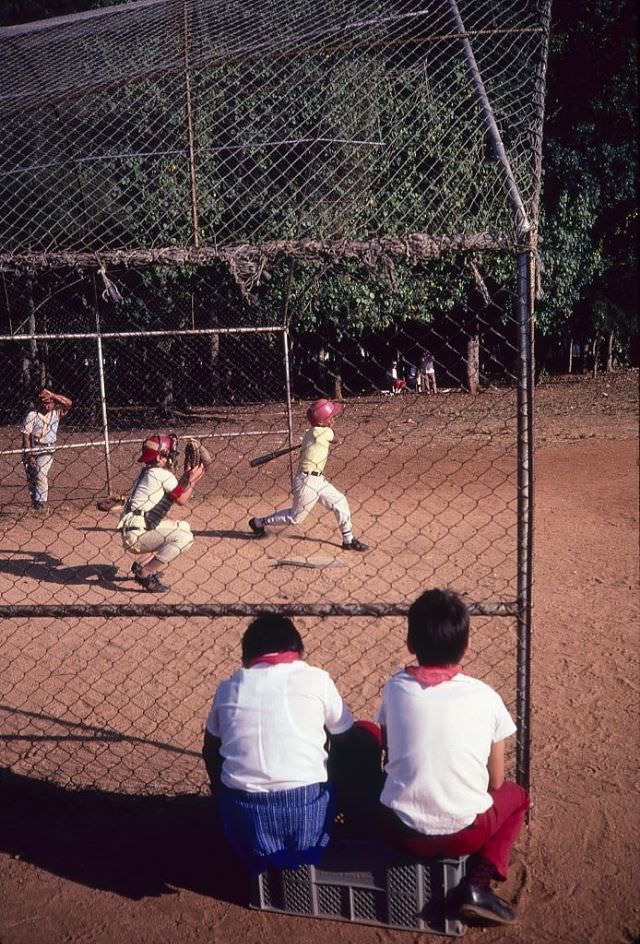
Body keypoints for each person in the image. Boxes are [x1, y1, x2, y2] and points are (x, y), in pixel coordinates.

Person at [375, 588, 529, 926]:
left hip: (401, 830)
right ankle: (479, 882)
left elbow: (387, 749)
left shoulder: (395, 687)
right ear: (467, 647)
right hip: (465, 834)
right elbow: (497, 781)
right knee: (517, 797)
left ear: (410, 644)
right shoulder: (485, 696)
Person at [202, 614, 356, 873]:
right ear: (299, 651)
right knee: (354, 735)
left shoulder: (228, 687)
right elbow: (348, 737)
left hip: (245, 821)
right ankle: (355, 820)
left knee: (219, 742)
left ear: (246, 659)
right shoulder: (316, 678)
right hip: (308, 818)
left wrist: (221, 791)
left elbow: (210, 749)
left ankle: (253, 849)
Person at [247, 399, 368, 551]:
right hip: (307, 482)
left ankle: (348, 539)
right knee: (295, 518)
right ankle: (259, 522)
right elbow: (336, 439)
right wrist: (328, 431)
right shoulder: (326, 432)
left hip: (318, 480)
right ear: (323, 421)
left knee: (340, 502)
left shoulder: (308, 434)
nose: (334, 419)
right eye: (331, 417)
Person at [116, 433, 205, 592]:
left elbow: (175, 492)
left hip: (136, 528)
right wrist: (194, 478)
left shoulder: (148, 472)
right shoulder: (162, 475)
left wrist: (189, 476)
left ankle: (141, 564)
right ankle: (146, 572)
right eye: (168, 454)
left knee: (183, 526)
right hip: (138, 535)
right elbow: (182, 499)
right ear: (159, 458)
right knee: (185, 537)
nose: (171, 458)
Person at [21, 387, 73, 512]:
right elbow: (26, 436)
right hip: (33, 447)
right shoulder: (32, 415)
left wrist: (53, 395)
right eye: (44, 403)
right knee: (32, 478)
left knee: (41, 474)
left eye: (49, 403)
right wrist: (30, 454)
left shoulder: (56, 412)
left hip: (47, 448)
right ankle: (35, 504)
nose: (47, 406)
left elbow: (69, 403)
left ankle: (41, 504)